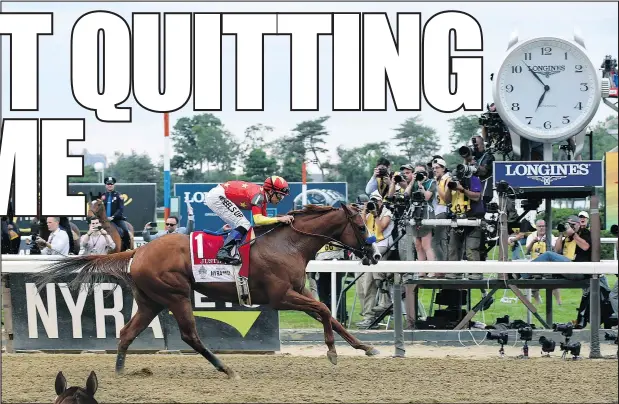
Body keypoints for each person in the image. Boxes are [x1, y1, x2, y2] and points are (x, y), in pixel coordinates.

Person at [204, 175, 293, 266]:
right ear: (270, 191)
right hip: (217, 196)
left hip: (218, 194)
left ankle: (226, 246)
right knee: (244, 224)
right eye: (279, 196)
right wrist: (280, 219)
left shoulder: (263, 198)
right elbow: (258, 220)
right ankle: (223, 252)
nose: (280, 199)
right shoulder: (259, 196)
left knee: (242, 226)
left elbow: (264, 223)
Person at [102, 177, 131, 251]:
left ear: (114, 185)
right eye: (108, 184)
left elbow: (120, 209)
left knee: (125, 230)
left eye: (111, 184)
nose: (110, 185)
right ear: (106, 185)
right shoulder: (102, 196)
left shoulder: (118, 195)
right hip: (104, 220)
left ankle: (127, 248)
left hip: (116, 219)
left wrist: (113, 217)